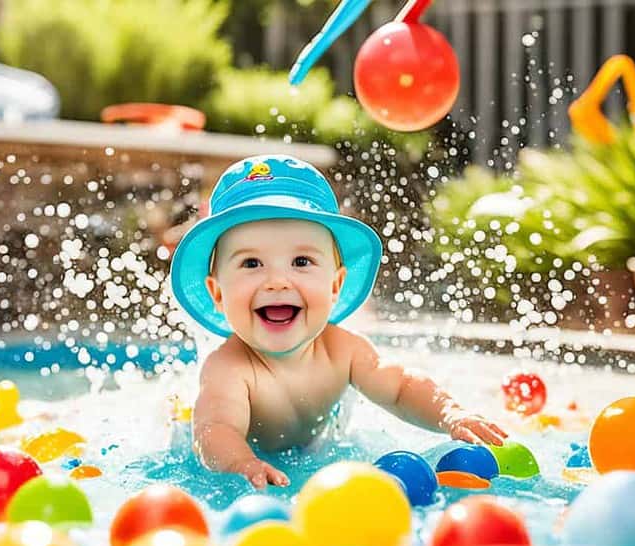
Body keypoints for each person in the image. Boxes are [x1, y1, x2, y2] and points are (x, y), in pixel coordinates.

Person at [169, 155, 508, 488]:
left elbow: (401, 388)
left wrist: (450, 413)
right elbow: (216, 429)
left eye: (301, 261)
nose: (277, 281)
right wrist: (241, 463)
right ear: (217, 294)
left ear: (335, 286)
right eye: (251, 263)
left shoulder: (342, 350)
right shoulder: (229, 367)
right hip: (248, 454)